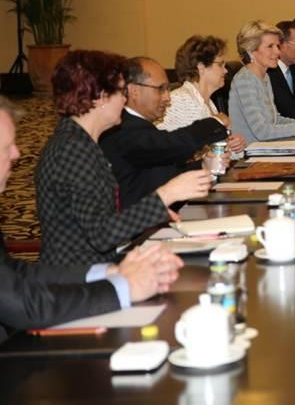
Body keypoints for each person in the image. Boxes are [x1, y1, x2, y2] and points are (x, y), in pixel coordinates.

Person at [0, 97, 183, 340]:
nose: (17, 153)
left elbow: (16, 273)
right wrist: (123, 286)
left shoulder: (85, 143)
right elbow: (27, 305)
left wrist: (110, 273)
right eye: (6, 147)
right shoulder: (71, 147)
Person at [35, 51, 212, 266]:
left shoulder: (83, 142)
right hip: (79, 280)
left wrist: (153, 213)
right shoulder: (72, 150)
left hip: (100, 267)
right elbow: (101, 235)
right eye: (120, 91)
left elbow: (102, 221)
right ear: (99, 97)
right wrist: (166, 195)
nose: (125, 99)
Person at [100, 56, 230, 208]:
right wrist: (215, 123)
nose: (168, 97)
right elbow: (170, 144)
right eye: (160, 89)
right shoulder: (122, 127)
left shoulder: (140, 125)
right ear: (134, 91)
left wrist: (203, 166)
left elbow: (163, 173)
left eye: (168, 89)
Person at [228, 20, 295, 143]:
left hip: (267, 149)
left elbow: (275, 120)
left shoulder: (265, 76)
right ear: (251, 51)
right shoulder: (245, 80)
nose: (277, 52)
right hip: (250, 156)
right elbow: (261, 131)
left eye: (277, 46)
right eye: (270, 46)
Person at [158, 36, 246, 157]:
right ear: (201, 67)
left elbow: (214, 151)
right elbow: (187, 152)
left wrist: (235, 146)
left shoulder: (208, 103)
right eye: (220, 64)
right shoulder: (180, 100)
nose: (225, 71)